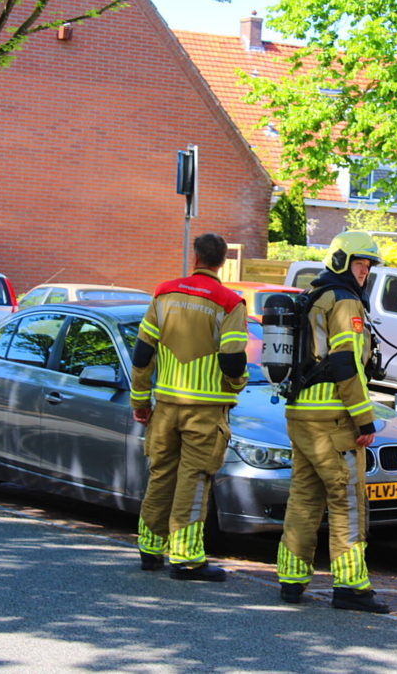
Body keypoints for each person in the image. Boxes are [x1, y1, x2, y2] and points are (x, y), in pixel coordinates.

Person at [276, 230, 389, 614]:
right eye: (360, 263)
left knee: (304, 497)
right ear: (342, 262)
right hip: (332, 418)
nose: (364, 272)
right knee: (348, 500)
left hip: (301, 413)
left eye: (368, 266)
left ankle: (291, 579)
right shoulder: (343, 301)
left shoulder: (313, 294)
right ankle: (351, 585)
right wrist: (364, 419)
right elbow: (346, 363)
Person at [130, 233, 249, 582]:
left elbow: (142, 355)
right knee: (194, 480)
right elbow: (231, 360)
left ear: (195, 258)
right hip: (206, 410)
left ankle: (150, 549)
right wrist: (238, 385)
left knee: (161, 475)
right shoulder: (230, 302)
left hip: (165, 405)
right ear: (222, 263)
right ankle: (186, 558)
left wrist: (140, 400)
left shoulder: (163, 293)